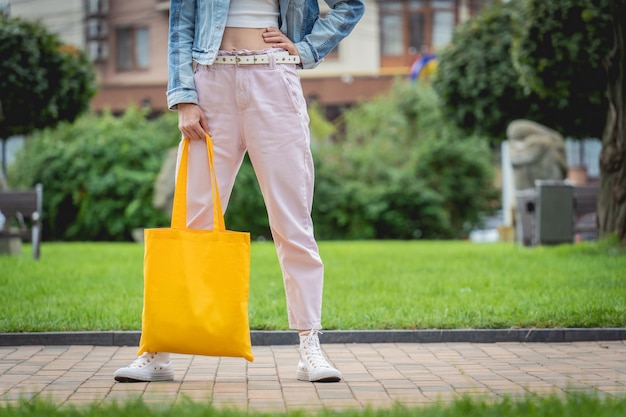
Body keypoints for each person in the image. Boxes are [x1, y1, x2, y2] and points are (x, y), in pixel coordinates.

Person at [113, 0, 365, 383]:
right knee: (193, 222)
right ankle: (159, 348)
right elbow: (181, 24)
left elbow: (350, 5)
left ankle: (309, 344)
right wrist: (184, 96)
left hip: (274, 83)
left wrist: (308, 49)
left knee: (292, 222)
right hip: (210, 86)